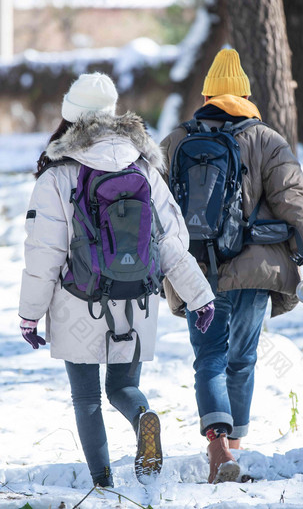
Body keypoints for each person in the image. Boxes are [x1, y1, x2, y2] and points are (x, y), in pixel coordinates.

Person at [18, 72, 215, 488]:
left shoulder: (58, 174)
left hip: (79, 300)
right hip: (138, 299)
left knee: (87, 397)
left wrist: (29, 315)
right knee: (123, 386)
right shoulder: (142, 167)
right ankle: (143, 418)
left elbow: (44, 254)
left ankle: (103, 482)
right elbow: (172, 242)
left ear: (70, 120)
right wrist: (200, 297)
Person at [160, 49, 303, 484]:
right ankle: (234, 451)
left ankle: (217, 447)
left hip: (195, 269)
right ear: (246, 94)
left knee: (209, 359)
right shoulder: (267, 139)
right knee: (243, 360)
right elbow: (294, 198)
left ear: (208, 93)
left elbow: (153, 203)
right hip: (254, 269)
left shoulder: (178, 139)